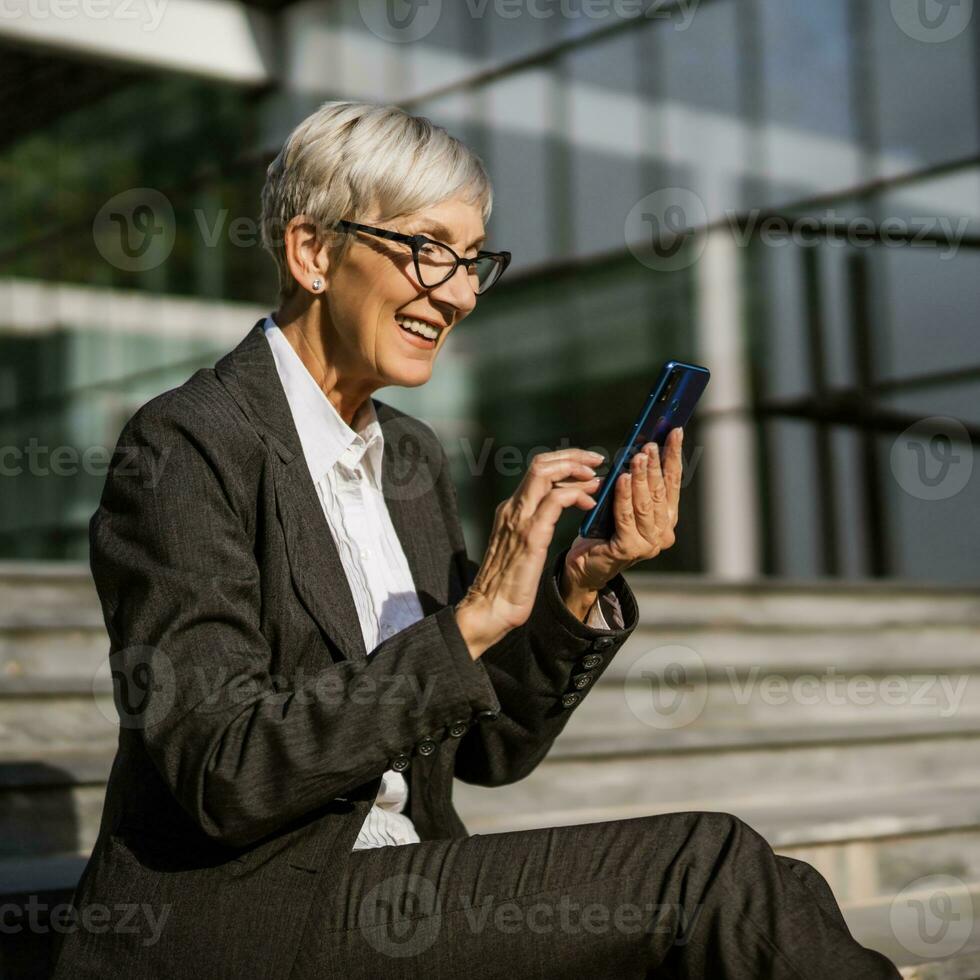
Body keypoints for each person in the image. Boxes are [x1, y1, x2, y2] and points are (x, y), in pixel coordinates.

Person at [52, 100, 901, 979]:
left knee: (764, 892)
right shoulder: (187, 445)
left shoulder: (410, 458)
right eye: (427, 249)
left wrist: (575, 585)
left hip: (402, 887)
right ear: (311, 252)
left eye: (472, 262)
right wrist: (471, 621)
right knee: (707, 871)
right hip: (249, 917)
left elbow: (488, 748)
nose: (458, 292)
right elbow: (223, 770)